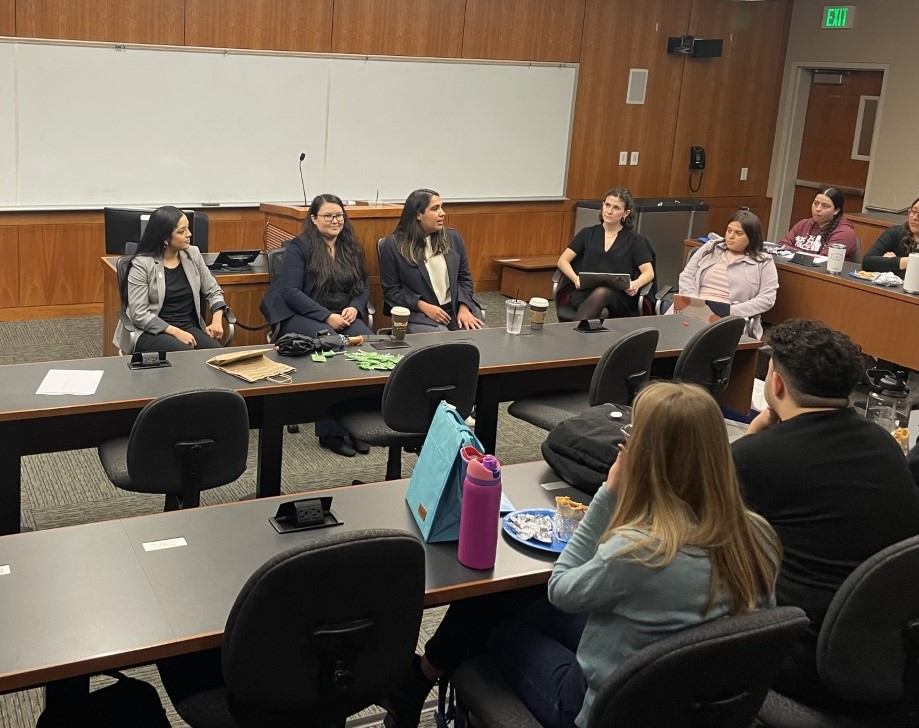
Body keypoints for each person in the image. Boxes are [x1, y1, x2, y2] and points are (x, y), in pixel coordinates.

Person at [383, 382, 780, 728]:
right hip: (684, 695)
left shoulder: (639, 551)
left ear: (644, 455)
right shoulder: (758, 536)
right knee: (512, 594)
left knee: (490, 619)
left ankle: (423, 682)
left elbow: (561, 589)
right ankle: (418, 679)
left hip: (597, 709)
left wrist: (609, 494)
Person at [731, 319, 919, 708]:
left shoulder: (757, 457)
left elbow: (700, 522)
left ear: (776, 385)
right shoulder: (882, 442)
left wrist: (751, 438)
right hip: (887, 648)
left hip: (801, 655)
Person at [260, 193, 372, 458]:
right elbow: (290, 292)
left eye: (339, 215)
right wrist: (326, 316)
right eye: (328, 216)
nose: (335, 221)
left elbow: (363, 286)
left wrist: (355, 307)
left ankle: (357, 424)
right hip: (300, 313)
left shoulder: (350, 245)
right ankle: (330, 432)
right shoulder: (300, 247)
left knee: (369, 347)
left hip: (341, 314)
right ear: (313, 218)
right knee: (333, 348)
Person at [113, 205, 226, 353]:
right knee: (186, 355)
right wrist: (175, 332)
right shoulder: (142, 264)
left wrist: (217, 320)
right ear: (165, 237)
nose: (189, 234)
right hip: (150, 330)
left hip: (188, 326)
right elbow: (139, 314)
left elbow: (213, 291)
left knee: (217, 355)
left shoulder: (193, 254)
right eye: (182, 231)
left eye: (188, 228)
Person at [379, 189, 483, 333]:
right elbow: (392, 292)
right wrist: (423, 306)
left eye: (441, 207)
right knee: (443, 345)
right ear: (418, 215)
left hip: (454, 309)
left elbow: (464, 278)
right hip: (420, 313)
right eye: (435, 209)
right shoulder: (393, 245)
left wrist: (464, 308)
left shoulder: (453, 238)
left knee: (481, 341)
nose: (442, 213)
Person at [673, 210, 778, 338]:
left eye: (738, 233)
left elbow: (767, 299)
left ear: (752, 237)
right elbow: (686, 276)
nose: (730, 236)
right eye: (729, 230)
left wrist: (729, 311)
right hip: (693, 308)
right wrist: (694, 303)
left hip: (730, 317)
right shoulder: (710, 248)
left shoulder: (764, 261)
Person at [557, 187, 654, 320]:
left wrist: (635, 284)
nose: (609, 211)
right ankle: (579, 336)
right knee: (602, 314)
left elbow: (649, 272)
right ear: (602, 206)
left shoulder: (634, 240)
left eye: (616, 208)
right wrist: (575, 279)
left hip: (619, 297)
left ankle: (572, 336)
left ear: (626, 213)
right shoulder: (587, 233)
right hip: (586, 293)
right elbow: (562, 261)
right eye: (607, 205)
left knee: (602, 292)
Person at [779, 187, 859, 261]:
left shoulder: (845, 233)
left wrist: (792, 251)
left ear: (836, 210)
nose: (817, 209)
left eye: (825, 206)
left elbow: (822, 260)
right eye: (816, 203)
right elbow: (782, 246)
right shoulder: (803, 224)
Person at [862, 196, 919, 276]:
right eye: (913, 211)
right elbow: (867, 262)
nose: (915, 217)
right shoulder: (895, 232)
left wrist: (889, 263)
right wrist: (906, 262)